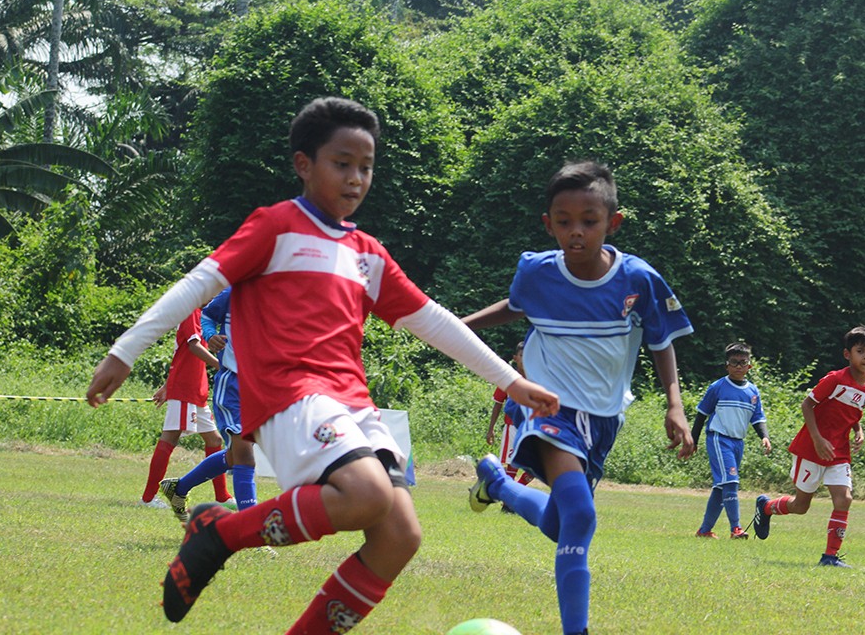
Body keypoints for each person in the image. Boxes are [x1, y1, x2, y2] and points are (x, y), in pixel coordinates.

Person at [85, 97, 560, 633]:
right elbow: (200, 284)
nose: (357, 178)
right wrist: (124, 350)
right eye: (342, 163)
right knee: (366, 494)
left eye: (367, 166)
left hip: (352, 402)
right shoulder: (276, 226)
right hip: (289, 396)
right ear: (304, 165)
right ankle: (220, 533)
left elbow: (433, 319)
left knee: (399, 536)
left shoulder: (367, 254)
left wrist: (512, 381)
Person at [463, 160, 695, 635]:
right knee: (582, 516)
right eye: (564, 221)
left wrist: (675, 403)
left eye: (589, 221)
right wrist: (456, 328)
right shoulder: (536, 273)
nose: (576, 232)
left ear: (613, 222)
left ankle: (498, 484)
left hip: (604, 418)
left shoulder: (639, 280)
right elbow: (516, 308)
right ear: (548, 224)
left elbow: (661, 341)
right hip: (550, 408)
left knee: (559, 523)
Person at [751, 325, 865, 568]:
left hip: (839, 452)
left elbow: (853, 413)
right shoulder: (835, 379)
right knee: (801, 506)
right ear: (847, 354)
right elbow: (807, 406)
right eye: (860, 351)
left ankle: (829, 557)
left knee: (844, 499)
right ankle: (766, 507)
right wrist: (818, 439)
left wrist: (858, 430)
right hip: (811, 448)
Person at [159, 286, 255, 524]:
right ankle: (250, 531)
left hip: (261, 388)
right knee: (244, 453)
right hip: (232, 383)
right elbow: (208, 317)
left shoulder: (285, 298)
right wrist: (211, 335)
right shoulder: (235, 293)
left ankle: (179, 488)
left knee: (234, 456)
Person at [139, 309, 230, 510]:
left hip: (196, 391)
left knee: (214, 440)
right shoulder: (191, 312)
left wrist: (166, 385)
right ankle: (147, 498)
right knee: (170, 438)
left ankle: (222, 496)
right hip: (185, 390)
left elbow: (180, 355)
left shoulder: (203, 315)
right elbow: (192, 346)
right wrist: (220, 365)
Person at [690, 341, 771, 540]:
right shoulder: (718, 387)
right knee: (731, 481)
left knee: (721, 487)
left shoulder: (753, 391)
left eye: (742, 363)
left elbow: (757, 418)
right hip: (719, 438)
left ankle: (704, 530)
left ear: (749, 366)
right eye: (733, 363)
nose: (738, 367)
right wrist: (692, 440)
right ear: (726, 365)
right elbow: (701, 414)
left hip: (738, 442)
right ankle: (736, 528)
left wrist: (765, 437)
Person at [485, 341, 534, 500]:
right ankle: (508, 500)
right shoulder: (508, 378)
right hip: (512, 427)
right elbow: (498, 404)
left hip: (533, 427)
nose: (525, 358)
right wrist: (491, 428)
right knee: (512, 464)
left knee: (535, 467)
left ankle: (511, 491)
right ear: (515, 358)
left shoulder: (537, 378)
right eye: (521, 355)